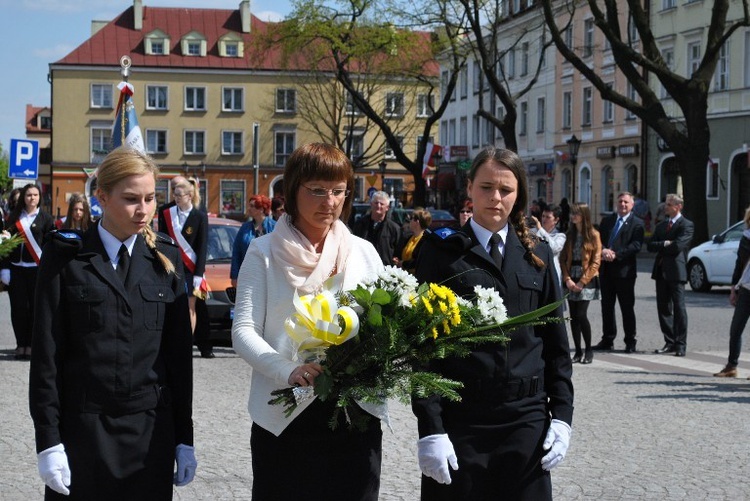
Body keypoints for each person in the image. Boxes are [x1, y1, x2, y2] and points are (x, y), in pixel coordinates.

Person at [28, 147, 196, 499]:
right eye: (131, 199)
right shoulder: (66, 259)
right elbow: (47, 358)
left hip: (150, 435)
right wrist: (48, 441)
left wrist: (184, 438)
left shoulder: (164, 259)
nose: (144, 210)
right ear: (101, 196)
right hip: (83, 433)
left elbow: (179, 360)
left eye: (150, 198)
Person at [412, 147, 573, 500]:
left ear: (519, 195)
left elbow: (556, 345)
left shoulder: (538, 255)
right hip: (462, 419)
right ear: (469, 188)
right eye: (486, 187)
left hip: (525, 420)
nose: (495, 198)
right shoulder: (441, 253)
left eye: (505, 190)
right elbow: (422, 349)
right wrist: (430, 428)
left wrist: (561, 416)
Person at [231, 143, 385, 499]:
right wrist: (288, 369)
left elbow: (385, 326)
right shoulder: (264, 251)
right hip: (286, 416)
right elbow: (244, 332)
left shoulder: (363, 253)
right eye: (316, 190)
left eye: (338, 191)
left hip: (354, 414)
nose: (328, 201)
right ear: (292, 190)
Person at [158, 178, 213, 358]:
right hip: (173, 267)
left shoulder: (200, 216)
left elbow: (202, 246)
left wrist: (199, 273)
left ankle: (186, 344)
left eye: (180, 195)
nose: (176, 198)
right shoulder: (166, 213)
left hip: (191, 270)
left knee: (190, 306)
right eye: (174, 194)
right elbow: (163, 241)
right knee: (171, 305)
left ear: (190, 196)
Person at [0, 184, 55, 360]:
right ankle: (20, 344)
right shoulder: (14, 218)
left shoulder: (46, 219)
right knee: (18, 309)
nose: (32, 198)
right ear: (23, 197)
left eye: (35, 195)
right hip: (16, 269)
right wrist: (5, 269)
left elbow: (50, 245)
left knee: (34, 309)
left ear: (40, 197)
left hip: (36, 270)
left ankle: (31, 345)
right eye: (29, 195)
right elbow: (5, 246)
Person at [594, 192, 645, 353]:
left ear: (632, 205)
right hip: (606, 271)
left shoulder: (637, 223)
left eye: (626, 202)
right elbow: (598, 240)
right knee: (607, 307)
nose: (623, 204)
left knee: (626, 308)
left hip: (624, 272)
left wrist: (616, 254)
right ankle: (607, 339)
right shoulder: (607, 221)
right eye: (620, 201)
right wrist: (603, 251)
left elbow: (635, 245)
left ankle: (630, 341)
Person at [648, 193, 694, 357]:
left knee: (679, 308)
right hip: (661, 270)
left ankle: (681, 344)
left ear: (678, 206)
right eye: (666, 204)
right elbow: (650, 246)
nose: (665, 206)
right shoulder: (661, 226)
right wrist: (665, 243)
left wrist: (666, 246)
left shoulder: (686, 225)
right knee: (663, 308)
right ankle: (670, 341)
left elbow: (678, 246)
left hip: (676, 271)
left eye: (669, 204)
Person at [560, 203, 602, 364]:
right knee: (573, 317)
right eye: (572, 213)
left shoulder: (593, 234)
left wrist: (582, 282)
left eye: (576, 213)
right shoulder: (569, 234)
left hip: (587, 278)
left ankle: (588, 350)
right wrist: (567, 279)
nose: (573, 216)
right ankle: (577, 351)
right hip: (572, 276)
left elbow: (596, 262)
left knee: (581, 314)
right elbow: (563, 259)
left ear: (584, 215)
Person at [714, 207, 750, 377]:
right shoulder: (747, 237)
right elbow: (740, 262)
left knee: (737, 328)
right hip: (746, 287)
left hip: (746, 287)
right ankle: (731, 366)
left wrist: (735, 287)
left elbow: (740, 262)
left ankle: (732, 365)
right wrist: (734, 287)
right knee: (736, 328)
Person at [229, 195, 276, 288]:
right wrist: (234, 276)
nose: (249, 208)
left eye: (252, 206)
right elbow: (236, 252)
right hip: (249, 275)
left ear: (261, 209)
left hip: (270, 276)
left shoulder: (275, 227)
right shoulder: (244, 228)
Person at [352, 190, 402, 266]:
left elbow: (398, 252)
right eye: (376, 203)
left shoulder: (394, 229)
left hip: (385, 271)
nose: (378, 206)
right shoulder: (360, 224)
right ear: (371, 204)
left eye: (381, 204)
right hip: (363, 267)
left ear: (387, 207)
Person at [530, 203, 566, 290]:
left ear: (556, 220)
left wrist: (541, 230)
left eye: (548, 217)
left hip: (551, 273)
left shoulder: (560, 236)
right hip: (534, 271)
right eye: (543, 216)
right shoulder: (532, 232)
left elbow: (553, 248)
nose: (544, 219)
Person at [394, 208, 431, 274]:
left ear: (417, 222)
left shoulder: (426, 241)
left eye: (411, 219)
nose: (409, 221)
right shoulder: (408, 237)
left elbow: (420, 261)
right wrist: (397, 260)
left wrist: (403, 264)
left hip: (417, 278)